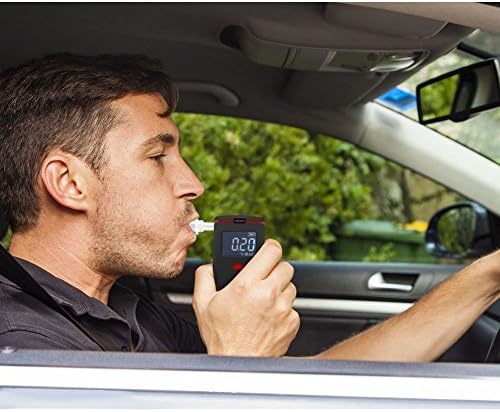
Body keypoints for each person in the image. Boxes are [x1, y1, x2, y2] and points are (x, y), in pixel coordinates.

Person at [0, 54, 498, 360]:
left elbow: (316, 383)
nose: (193, 183)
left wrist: (486, 278)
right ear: (69, 183)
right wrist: (238, 360)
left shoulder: (126, 305)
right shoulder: (23, 348)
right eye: (157, 156)